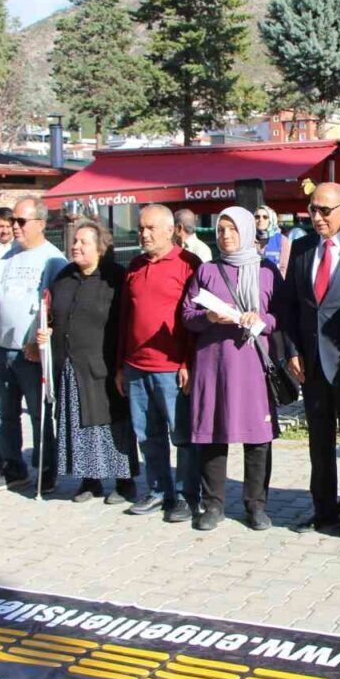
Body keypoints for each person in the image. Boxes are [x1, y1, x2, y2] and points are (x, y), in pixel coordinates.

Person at [182, 207, 282, 531]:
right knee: (213, 433)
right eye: (221, 229)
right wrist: (208, 317)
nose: (226, 235)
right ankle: (213, 505)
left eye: (233, 229)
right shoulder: (207, 271)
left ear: (247, 232)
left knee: (258, 438)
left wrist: (261, 320)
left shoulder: (266, 271)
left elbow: (282, 315)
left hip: (253, 365)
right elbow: (186, 315)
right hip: (213, 366)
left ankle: (256, 506)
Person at [283, 183, 340, 537]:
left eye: (325, 210)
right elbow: (291, 306)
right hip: (312, 363)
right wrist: (292, 350)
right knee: (319, 442)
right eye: (312, 209)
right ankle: (323, 511)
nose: (317, 217)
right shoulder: (302, 247)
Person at [38, 221, 136, 504]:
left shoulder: (115, 278)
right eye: (74, 241)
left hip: (104, 365)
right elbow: (54, 315)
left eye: (83, 242)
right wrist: (47, 331)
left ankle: (124, 482)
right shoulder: (65, 276)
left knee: (111, 422)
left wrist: (122, 364)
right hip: (70, 364)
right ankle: (89, 480)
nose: (76, 246)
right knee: (78, 425)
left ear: (100, 248)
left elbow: (125, 322)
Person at [120, 205, 201, 520]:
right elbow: (125, 318)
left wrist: (188, 362)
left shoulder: (188, 264)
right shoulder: (135, 265)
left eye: (150, 228)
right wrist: (121, 364)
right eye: (141, 228)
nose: (144, 234)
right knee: (147, 435)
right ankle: (158, 491)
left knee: (181, 435)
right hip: (136, 366)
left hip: (171, 368)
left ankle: (186, 495)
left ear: (170, 230)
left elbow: (194, 321)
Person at [0, 197, 68, 492]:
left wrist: (39, 341)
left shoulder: (53, 260)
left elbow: (59, 309)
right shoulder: (5, 259)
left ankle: (46, 470)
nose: (14, 226)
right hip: (4, 349)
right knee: (4, 415)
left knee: (39, 415)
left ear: (40, 224)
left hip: (33, 354)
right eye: (12, 221)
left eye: (21, 221)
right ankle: (13, 469)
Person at [254, 205, 292, 277]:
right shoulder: (249, 239)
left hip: (274, 282)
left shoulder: (282, 240)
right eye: (257, 217)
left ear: (271, 219)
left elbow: (285, 269)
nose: (260, 220)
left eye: (265, 217)